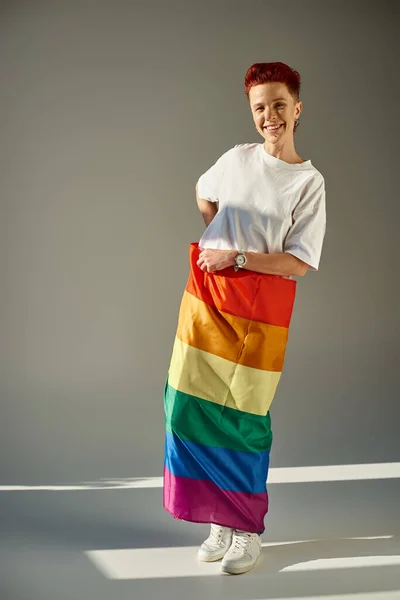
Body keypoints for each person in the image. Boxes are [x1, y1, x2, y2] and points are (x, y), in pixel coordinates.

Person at [163, 62, 326, 575]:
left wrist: (236, 256)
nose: (270, 116)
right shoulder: (236, 159)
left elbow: (298, 261)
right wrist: (221, 236)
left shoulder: (308, 182)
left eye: (279, 105)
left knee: (242, 416)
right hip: (208, 296)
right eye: (260, 107)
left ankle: (246, 528)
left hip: (260, 308)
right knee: (185, 408)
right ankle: (220, 517)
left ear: (297, 108)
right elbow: (204, 193)